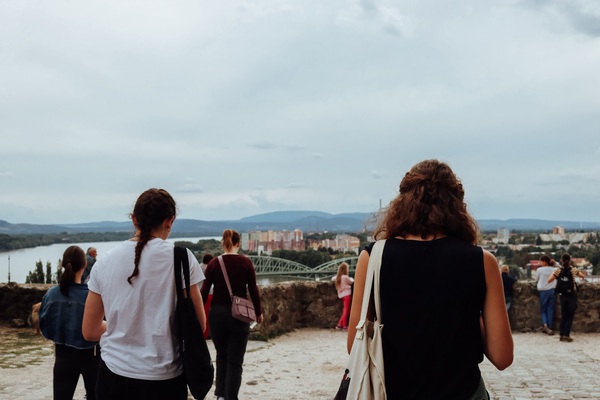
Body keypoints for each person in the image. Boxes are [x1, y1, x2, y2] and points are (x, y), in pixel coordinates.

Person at [348, 159, 513, 399]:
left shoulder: (372, 257)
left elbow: (355, 345)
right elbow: (502, 357)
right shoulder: (482, 261)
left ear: (402, 202)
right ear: (457, 206)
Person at [82, 188, 206, 399]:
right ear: (170, 221)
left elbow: (90, 331)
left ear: (134, 220)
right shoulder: (182, 259)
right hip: (165, 380)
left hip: (113, 378)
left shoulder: (103, 263)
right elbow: (199, 326)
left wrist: (118, 326)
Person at [201, 229, 263, 400]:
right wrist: (258, 312)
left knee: (221, 355)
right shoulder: (245, 262)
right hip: (239, 315)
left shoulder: (214, 263)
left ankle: (220, 395)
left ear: (223, 243)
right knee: (235, 361)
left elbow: (204, 292)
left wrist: (197, 314)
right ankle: (230, 397)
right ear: (238, 243)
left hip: (217, 315)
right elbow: (253, 290)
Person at [39, 245, 100, 400]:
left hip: (62, 356)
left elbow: (44, 326)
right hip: (91, 356)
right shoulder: (91, 296)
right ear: (85, 264)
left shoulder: (51, 294)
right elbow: (100, 326)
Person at [548, 253, 586, 342]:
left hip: (562, 295)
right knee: (570, 315)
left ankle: (561, 334)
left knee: (564, 315)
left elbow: (549, 280)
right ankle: (566, 334)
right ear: (570, 260)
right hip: (571, 295)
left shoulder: (558, 270)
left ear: (562, 260)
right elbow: (582, 276)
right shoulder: (573, 270)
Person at [535, 255, 557, 335]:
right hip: (551, 290)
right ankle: (550, 326)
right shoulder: (554, 269)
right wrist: (555, 263)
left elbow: (536, 280)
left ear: (544, 262)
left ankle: (545, 325)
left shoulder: (539, 270)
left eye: (541, 261)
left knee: (543, 309)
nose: (540, 263)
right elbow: (562, 268)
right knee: (550, 309)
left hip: (543, 291)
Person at [331, 262, 353, 331]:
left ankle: (339, 325)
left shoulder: (338, 277)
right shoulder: (346, 277)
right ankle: (344, 326)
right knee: (346, 310)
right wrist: (352, 278)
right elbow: (351, 282)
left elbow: (332, 279)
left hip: (341, 295)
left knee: (345, 310)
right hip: (347, 294)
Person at [201, 253, 214, 339]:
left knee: (201, 315)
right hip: (209, 294)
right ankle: (207, 333)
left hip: (198, 293)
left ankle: (202, 333)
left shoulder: (198, 266)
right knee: (208, 315)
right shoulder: (209, 268)